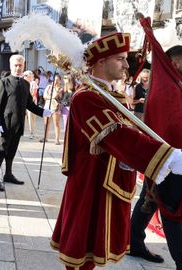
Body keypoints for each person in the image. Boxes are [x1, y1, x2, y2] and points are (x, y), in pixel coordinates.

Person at [50, 32, 182, 270]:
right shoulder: (86, 97)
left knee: (92, 245)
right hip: (91, 181)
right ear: (101, 62)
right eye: (120, 59)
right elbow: (116, 135)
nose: (125, 64)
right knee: (82, 245)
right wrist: (167, 156)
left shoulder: (109, 94)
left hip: (107, 179)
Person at [129, 45, 182, 268]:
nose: (178, 66)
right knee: (168, 207)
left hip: (172, 158)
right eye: (175, 61)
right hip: (166, 159)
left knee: (149, 202)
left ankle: (134, 243)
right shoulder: (164, 87)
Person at [0, 54, 50, 191]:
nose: (18, 68)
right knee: (1, 150)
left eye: (20, 65)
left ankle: (8, 174)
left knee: (12, 150)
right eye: (15, 65)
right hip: (5, 125)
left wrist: (43, 112)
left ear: (24, 66)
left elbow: (29, 104)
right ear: (11, 66)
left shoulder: (25, 83)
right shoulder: (3, 82)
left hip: (18, 124)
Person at [41, 73, 63, 145]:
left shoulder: (60, 88)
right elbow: (44, 96)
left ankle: (57, 139)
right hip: (47, 107)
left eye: (57, 80)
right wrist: (51, 96)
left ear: (60, 81)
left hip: (56, 108)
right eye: (54, 79)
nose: (55, 81)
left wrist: (55, 91)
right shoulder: (49, 87)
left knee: (56, 123)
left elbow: (57, 96)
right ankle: (45, 137)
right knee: (46, 123)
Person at [23, 70, 38, 139]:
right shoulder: (23, 83)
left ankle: (32, 133)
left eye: (26, 75)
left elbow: (33, 93)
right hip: (24, 102)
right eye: (24, 75)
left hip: (31, 102)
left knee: (31, 119)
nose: (24, 77)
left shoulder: (33, 83)